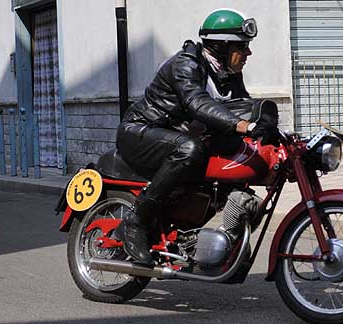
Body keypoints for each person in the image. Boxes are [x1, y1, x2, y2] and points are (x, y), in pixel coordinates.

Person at [113, 9, 280, 266]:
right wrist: (243, 126)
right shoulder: (185, 64)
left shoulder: (227, 73)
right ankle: (134, 221)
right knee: (190, 149)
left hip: (176, 134)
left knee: (236, 163)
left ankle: (218, 240)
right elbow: (197, 103)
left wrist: (272, 130)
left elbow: (240, 104)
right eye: (242, 47)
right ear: (221, 46)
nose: (248, 53)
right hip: (141, 131)